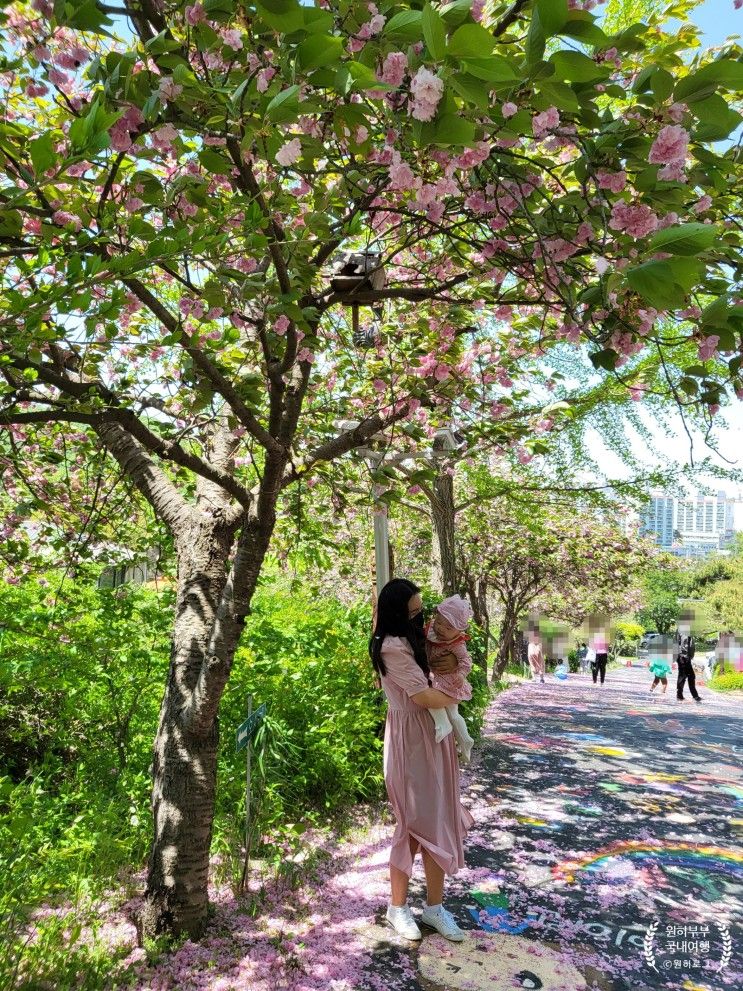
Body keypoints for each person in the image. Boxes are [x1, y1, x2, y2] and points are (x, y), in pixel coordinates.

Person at [370, 578, 473, 943]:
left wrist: (457, 669)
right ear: (397, 613)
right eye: (413, 612)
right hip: (411, 737)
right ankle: (397, 907)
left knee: (440, 819)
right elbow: (424, 697)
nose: (420, 619)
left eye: (422, 611)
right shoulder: (391, 647)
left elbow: (445, 670)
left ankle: (434, 907)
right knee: (412, 824)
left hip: (435, 736)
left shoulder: (415, 639)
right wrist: (462, 692)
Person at [425, 595, 475, 763]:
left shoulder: (457, 644)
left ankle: (444, 726)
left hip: (449, 681)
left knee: (437, 703)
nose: (440, 629)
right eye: (438, 622)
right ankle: (465, 740)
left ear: (459, 631)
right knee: (452, 713)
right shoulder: (431, 631)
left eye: (448, 627)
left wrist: (461, 674)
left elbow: (466, 661)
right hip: (436, 676)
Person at [676, 615, 701, 704]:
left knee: (687, 676)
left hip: (684, 656)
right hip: (683, 657)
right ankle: (683, 695)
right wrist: (685, 656)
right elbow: (684, 644)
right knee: (684, 676)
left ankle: (693, 695)